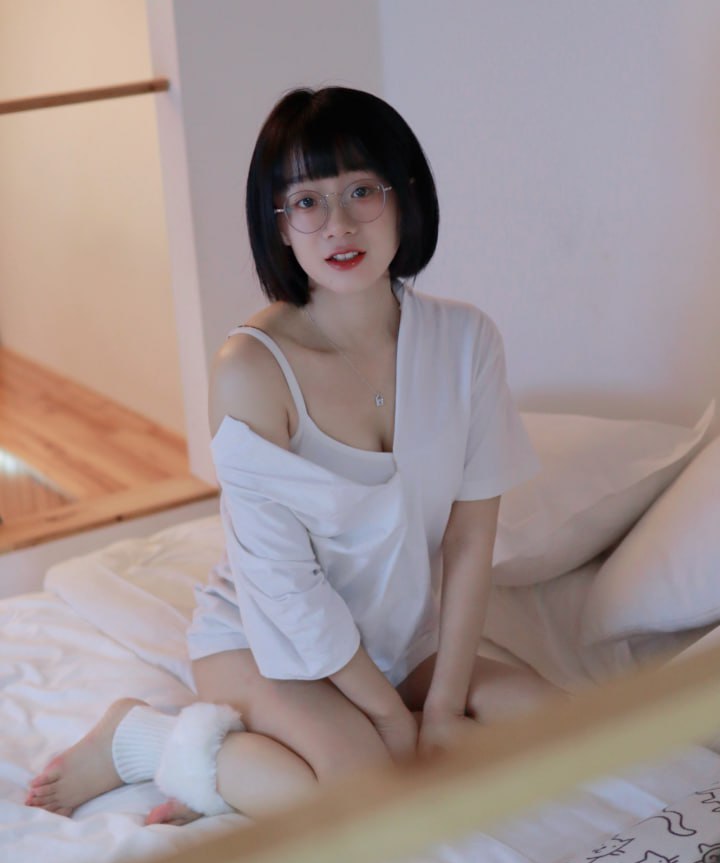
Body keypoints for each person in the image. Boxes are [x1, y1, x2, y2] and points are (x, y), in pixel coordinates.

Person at [26, 85, 556, 824]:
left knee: (557, 725)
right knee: (364, 802)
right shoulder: (251, 369)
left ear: (405, 196)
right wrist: (390, 720)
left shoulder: (466, 342)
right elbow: (286, 592)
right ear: (279, 223)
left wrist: (440, 709)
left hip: (400, 641)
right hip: (265, 640)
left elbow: (470, 540)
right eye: (306, 201)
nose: (338, 225)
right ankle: (143, 741)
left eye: (361, 191)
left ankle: (268, 761)